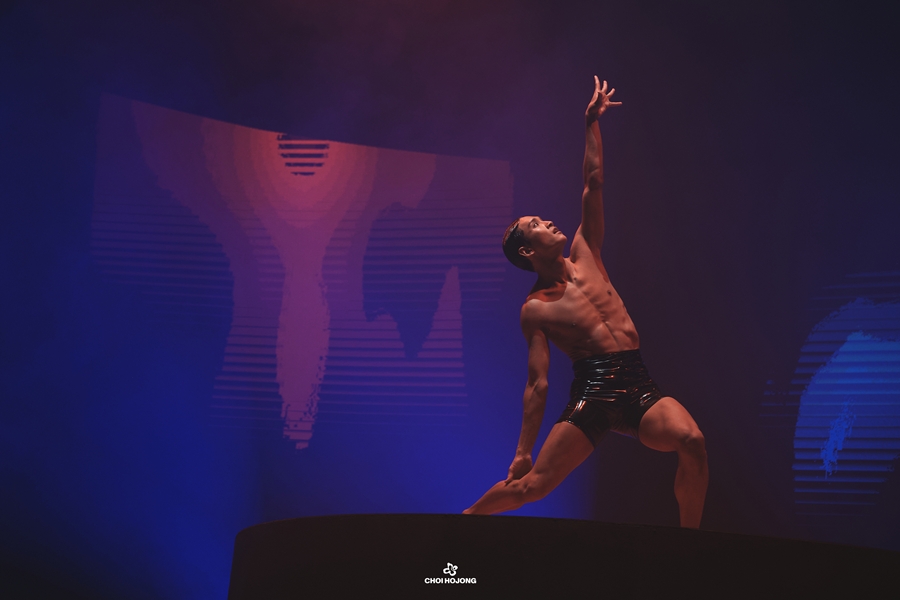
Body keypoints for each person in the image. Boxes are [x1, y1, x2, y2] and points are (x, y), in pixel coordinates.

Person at [463, 77, 708, 527]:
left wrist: (591, 123)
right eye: (536, 224)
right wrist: (522, 451)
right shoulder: (536, 309)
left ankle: (690, 546)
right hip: (593, 393)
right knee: (532, 487)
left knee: (691, 440)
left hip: (637, 382)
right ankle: (463, 522)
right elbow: (537, 384)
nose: (548, 221)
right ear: (527, 250)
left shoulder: (586, 251)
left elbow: (593, 182)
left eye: (542, 217)